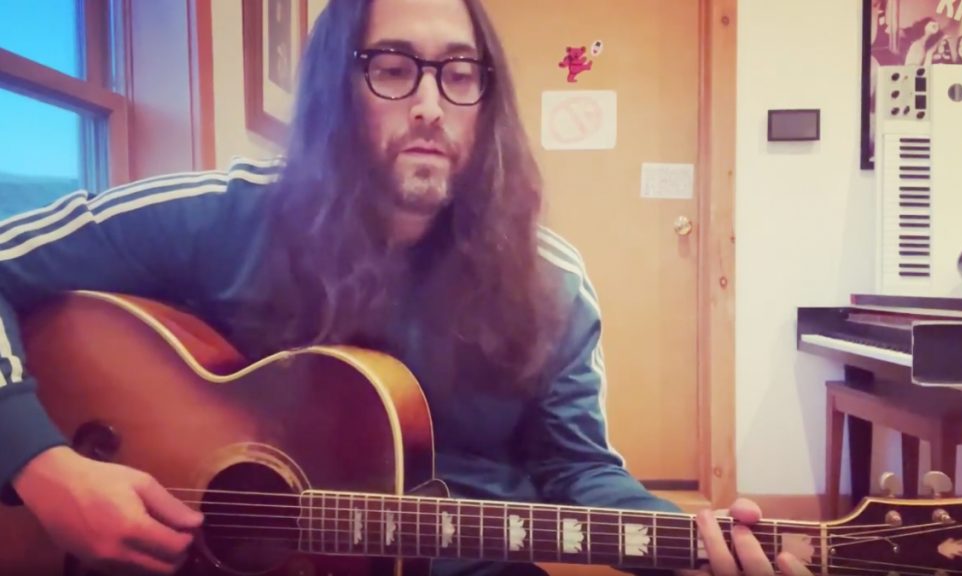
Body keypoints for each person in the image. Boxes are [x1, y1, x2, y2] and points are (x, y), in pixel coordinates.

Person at [0, 1, 812, 575]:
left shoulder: (552, 285)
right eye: (392, 69)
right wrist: (43, 464)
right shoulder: (221, 215)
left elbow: (581, 472)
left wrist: (690, 547)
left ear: (488, 103)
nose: (429, 105)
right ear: (335, 91)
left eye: (460, 74)